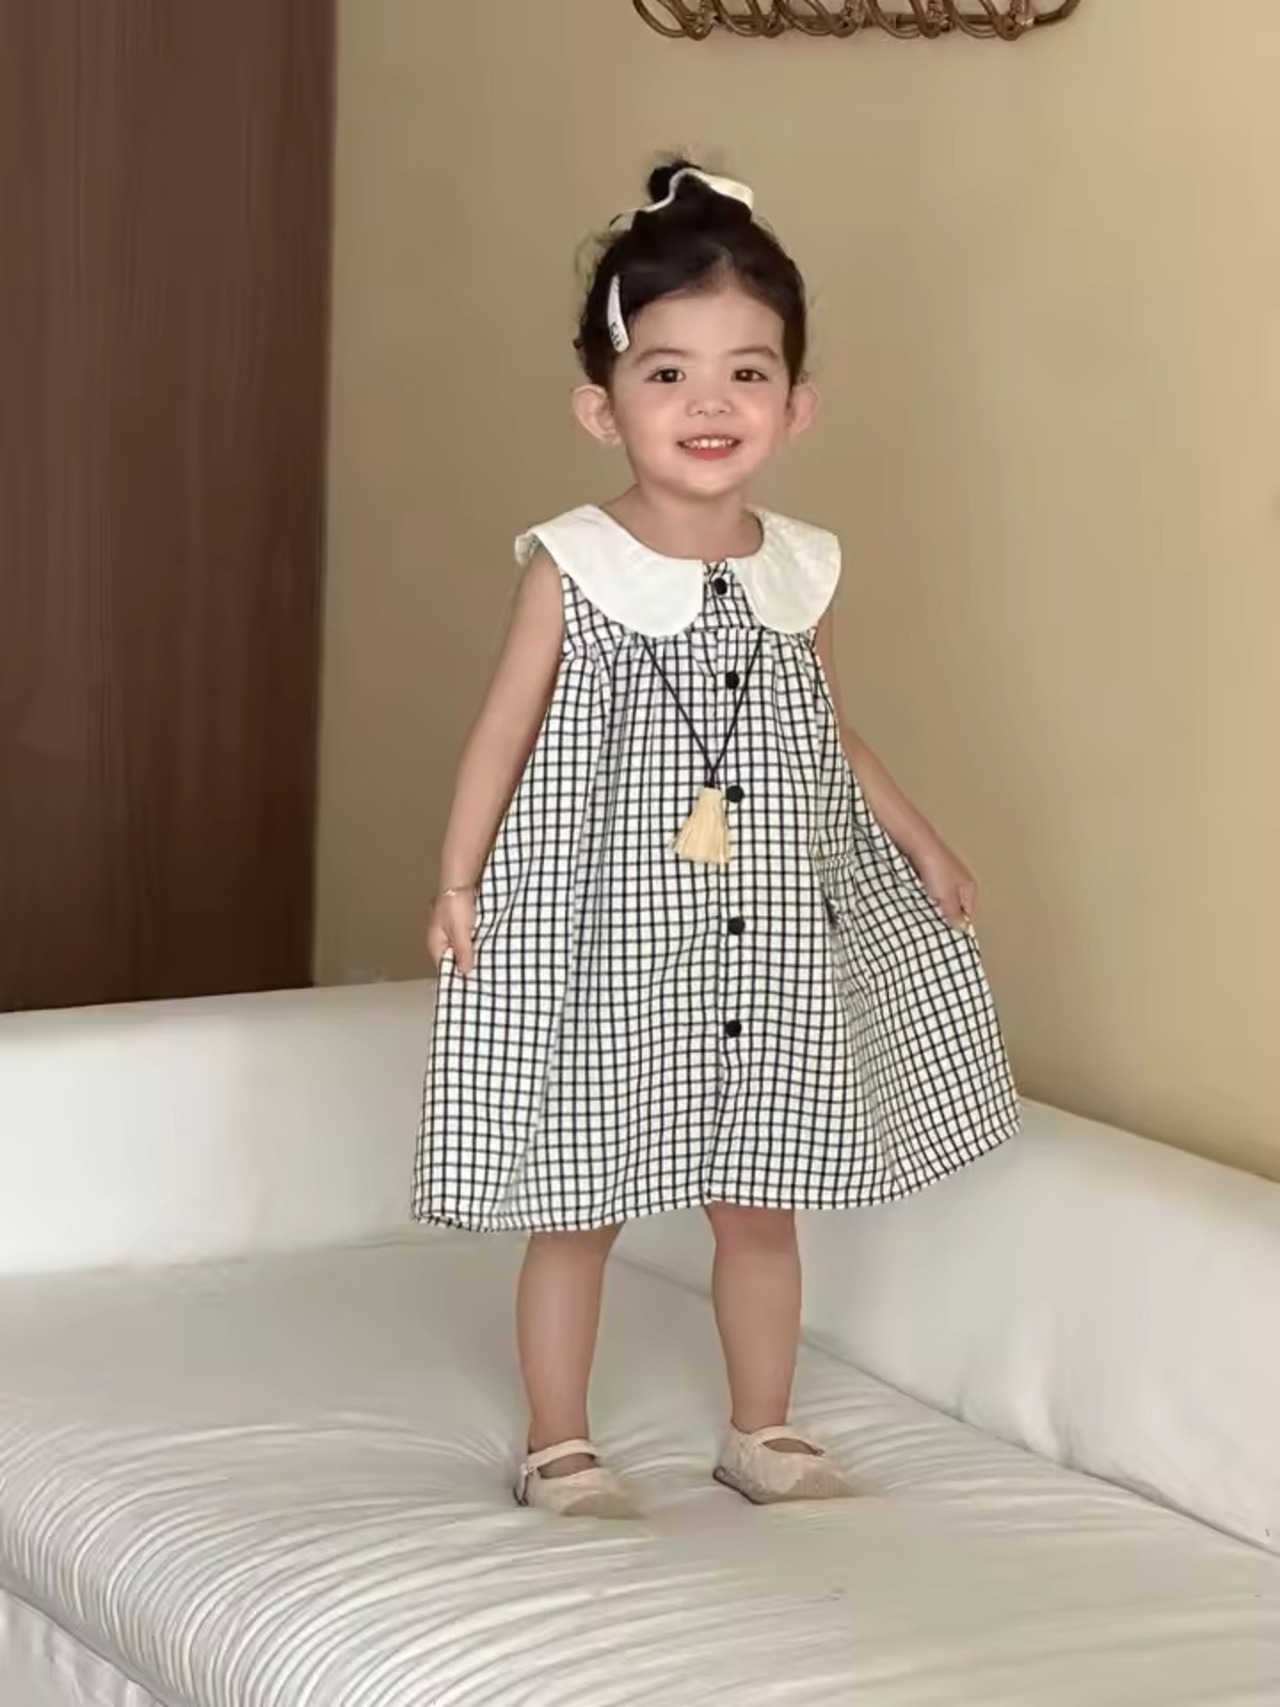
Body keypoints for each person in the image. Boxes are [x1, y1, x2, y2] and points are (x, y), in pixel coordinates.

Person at [414, 159, 1019, 1519]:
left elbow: (829, 732)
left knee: (761, 1195)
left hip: (769, 926)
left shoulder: (802, 565)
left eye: (748, 374)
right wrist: (458, 878)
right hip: (607, 924)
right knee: (579, 1195)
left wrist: (922, 840)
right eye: (667, 373)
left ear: (796, 406)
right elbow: (501, 734)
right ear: (603, 406)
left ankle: (764, 1428)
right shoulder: (572, 563)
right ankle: (558, 1442)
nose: (709, 404)